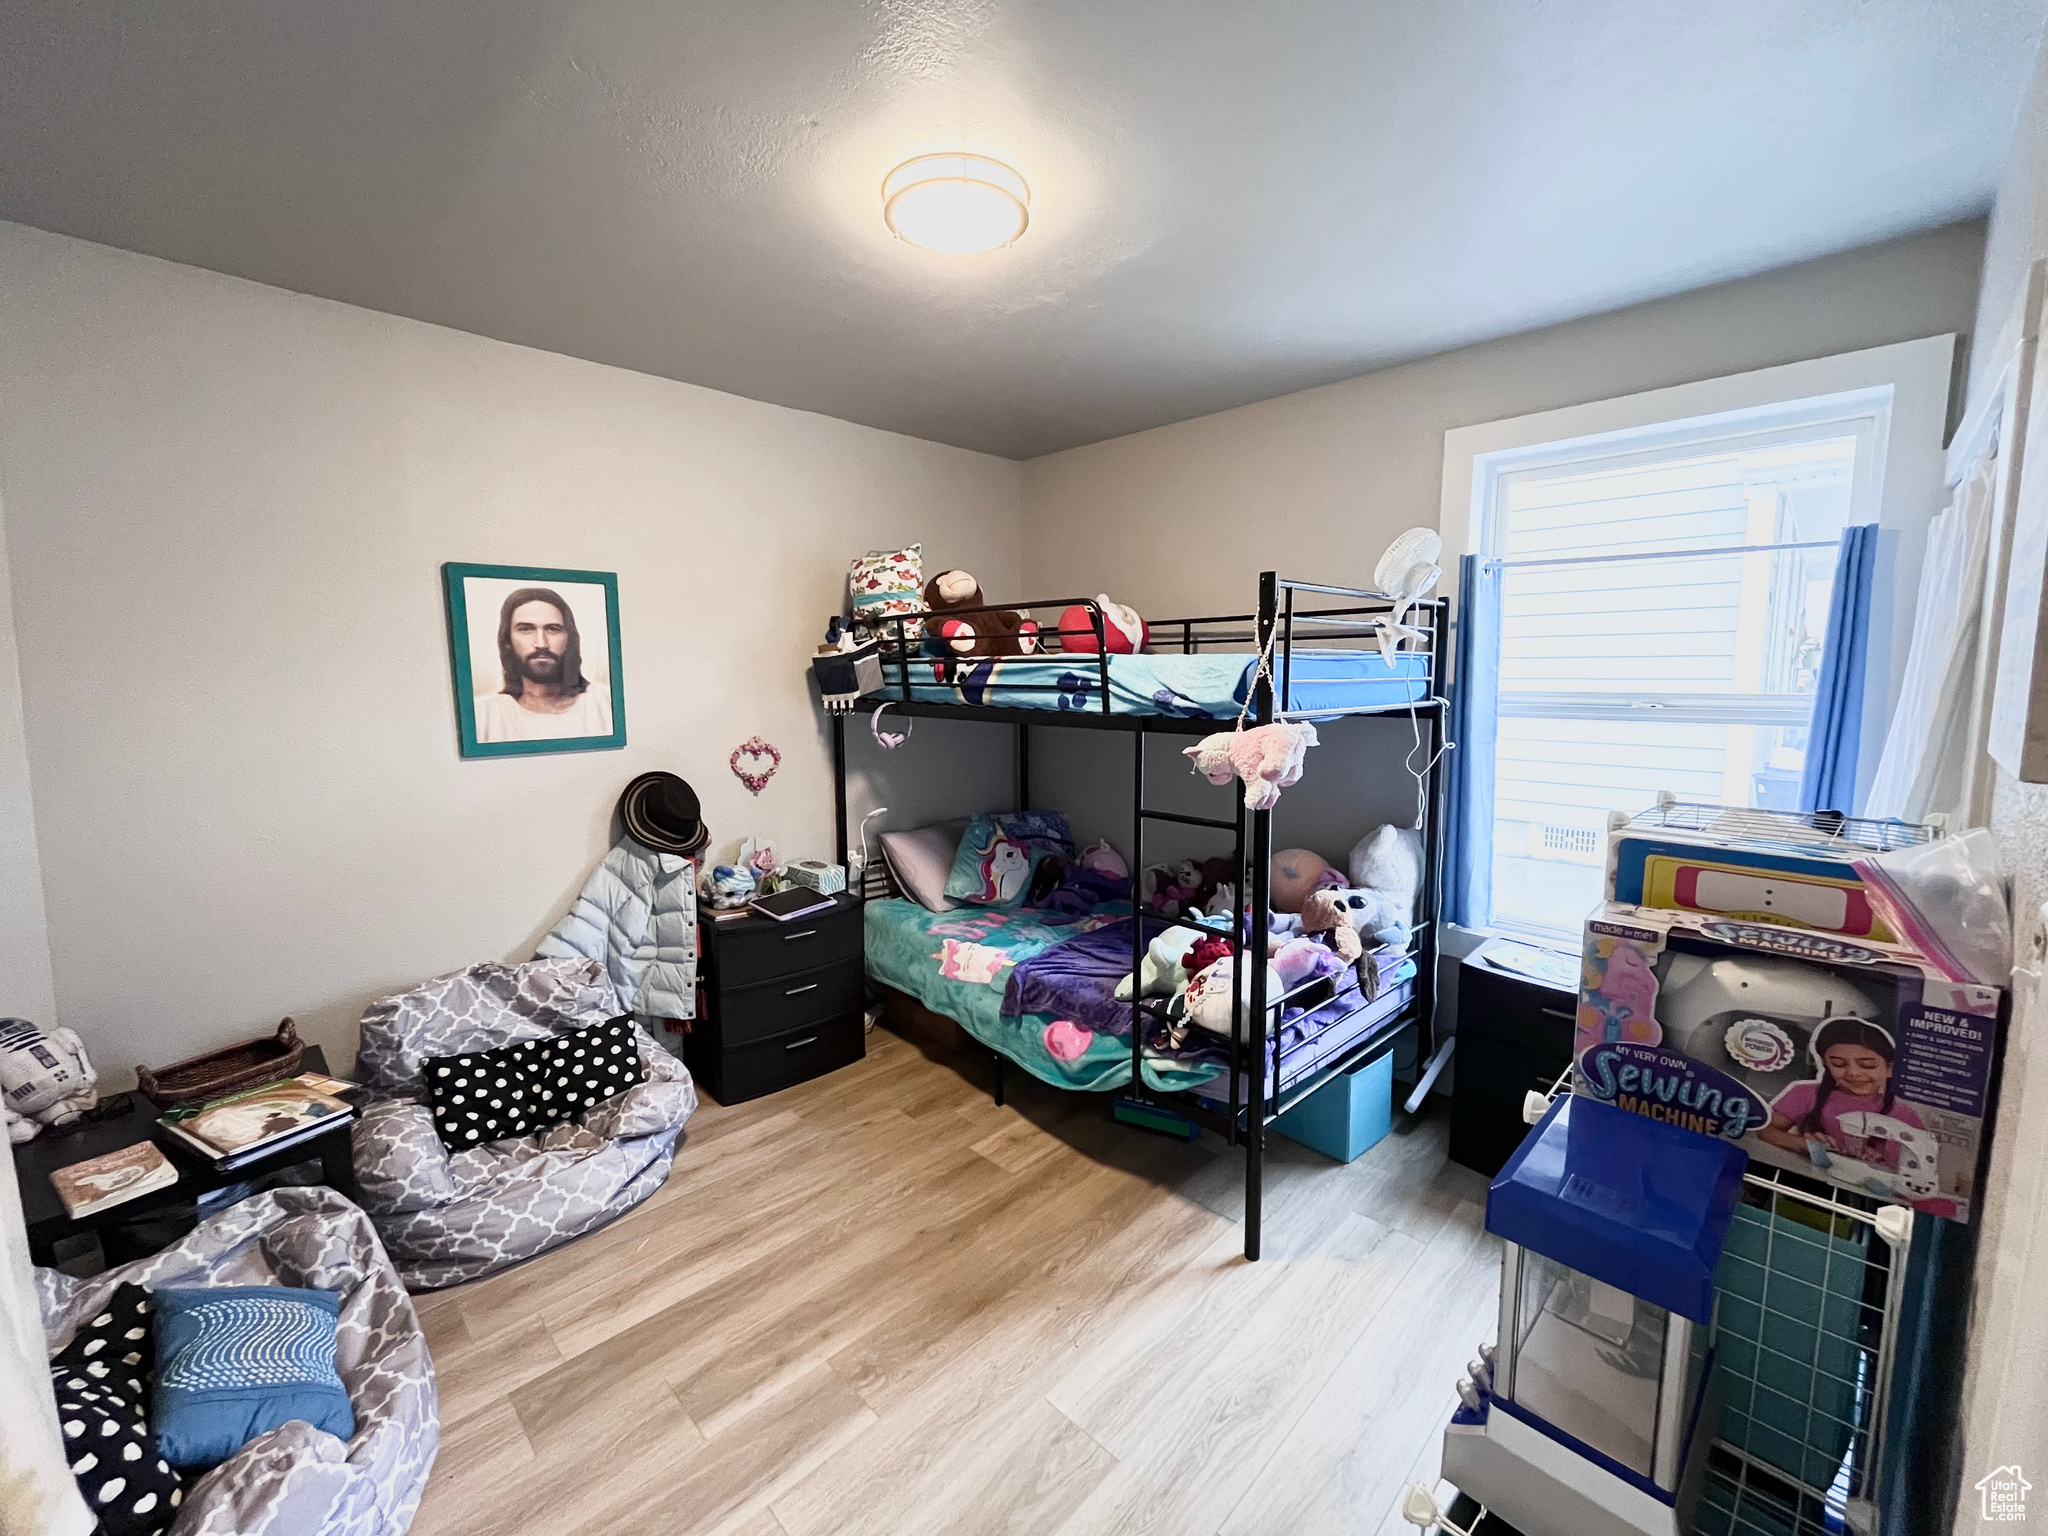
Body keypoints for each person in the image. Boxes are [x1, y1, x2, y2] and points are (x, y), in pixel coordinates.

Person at [1756, 1017, 1924, 1171]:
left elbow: (1917, 1168)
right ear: (1825, 1063)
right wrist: (1806, 1145)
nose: (1853, 1073)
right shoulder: (1805, 1094)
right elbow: (1764, 1130)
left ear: (1889, 1069)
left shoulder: (1905, 1116)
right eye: (1838, 1064)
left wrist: (1881, 1165)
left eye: (1867, 1065)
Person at [475, 587, 613, 742]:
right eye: (526, 629)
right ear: (507, 640)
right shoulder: (481, 716)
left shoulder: (608, 704)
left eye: (553, 629)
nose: (541, 644)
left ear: (570, 639)